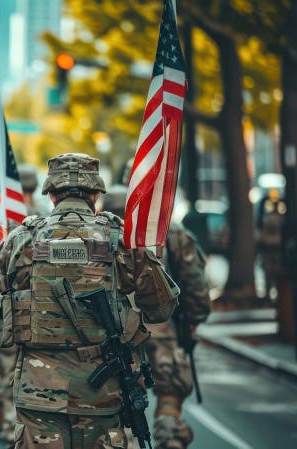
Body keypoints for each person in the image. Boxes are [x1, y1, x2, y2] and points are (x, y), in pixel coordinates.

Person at [0, 153, 179, 448]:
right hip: (101, 393)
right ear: (96, 194)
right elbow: (161, 308)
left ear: (51, 194)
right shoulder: (121, 239)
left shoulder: (23, 238)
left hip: (38, 394)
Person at [100, 184, 211, 449]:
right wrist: (192, 320)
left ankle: (124, 438)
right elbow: (195, 287)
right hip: (160, 327)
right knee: (170, 388)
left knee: (120, 392)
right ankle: (168, 431)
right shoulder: (169, 232)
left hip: (115, 331)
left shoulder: (97, 234)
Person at [0, 163, 49, 441]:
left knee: (1, 361)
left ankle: (4, 415)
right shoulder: (47, 219)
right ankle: (17, 420)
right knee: (30, 367)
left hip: (5, 307)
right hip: (39, 309)